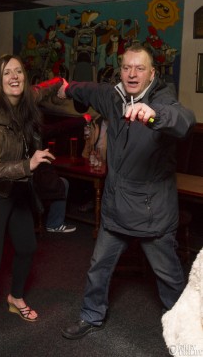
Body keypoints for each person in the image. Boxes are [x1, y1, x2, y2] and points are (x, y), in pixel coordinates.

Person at [57, 43, 196, 339]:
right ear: (120, 70)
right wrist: (66, 88)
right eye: (127, 67)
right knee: (98, 268)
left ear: (152, 73)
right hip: (116, 207)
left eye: (140, 68)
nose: (132, 74)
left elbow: (184, 121)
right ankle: (91, 316)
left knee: (169, 277)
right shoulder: (113, 96)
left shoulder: (162, 100)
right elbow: (90, 90)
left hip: (152, 212)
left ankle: (189, 330)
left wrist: (153, 115)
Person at [0, 54, 63, 322]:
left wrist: (63, 83)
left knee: (27, 246)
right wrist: (27, 165)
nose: (14, 77)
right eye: (7, 73)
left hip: (15, 189)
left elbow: (42, 90)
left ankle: (15, 296)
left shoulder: (24, 100)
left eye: (18, 71)